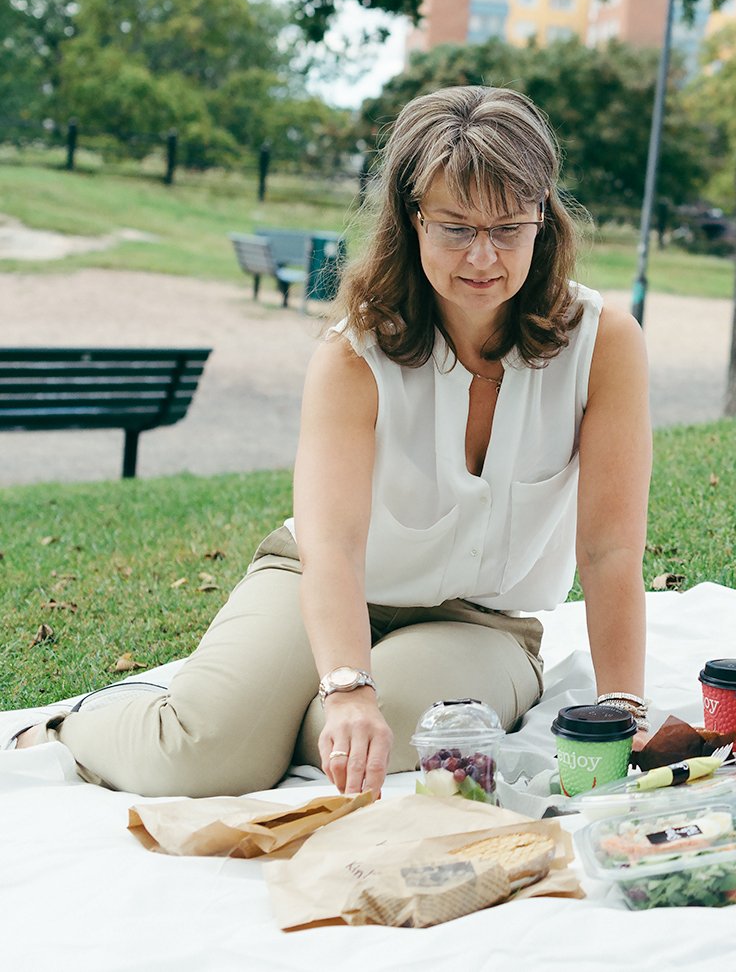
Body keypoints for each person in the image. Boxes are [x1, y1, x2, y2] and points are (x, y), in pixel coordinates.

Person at [9, 86, 655, 796]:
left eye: (508, 227)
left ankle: (284, 713)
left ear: (544, 219)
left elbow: (609, 549)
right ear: (412, 221)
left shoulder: (604, 344)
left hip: (483, 624)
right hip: (317, 577)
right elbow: (335, 546)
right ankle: (81, 723)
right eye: (454, 226)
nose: (483, 255)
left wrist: (625, 704)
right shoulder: (355, 354)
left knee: (368, 732)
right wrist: (349, 683)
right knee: (203, 754)